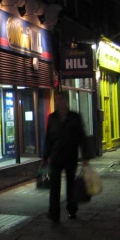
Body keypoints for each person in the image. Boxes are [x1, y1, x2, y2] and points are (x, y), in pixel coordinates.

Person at [42, 92, 91, 223]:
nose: (58, 102)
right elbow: (48, 138)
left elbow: (82, 136)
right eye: (56, 100)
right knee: (54, 186)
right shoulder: (52, 117)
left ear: (66, 101)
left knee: (71, 184)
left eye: (60, 100)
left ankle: (72, 209)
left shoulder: (74, 117)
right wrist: (45, 157)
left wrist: (85, 156)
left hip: (71, 156)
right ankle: (54, 214)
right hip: (56, 156)